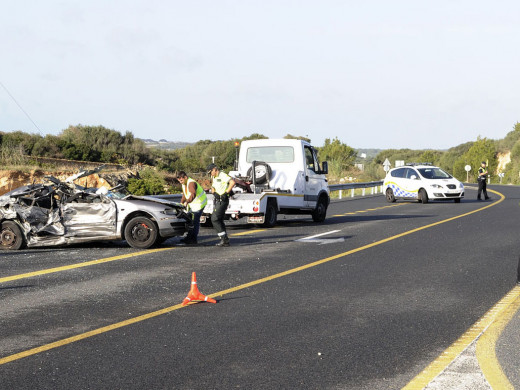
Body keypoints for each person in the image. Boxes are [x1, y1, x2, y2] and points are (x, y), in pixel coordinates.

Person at [207, 163, 235, 247]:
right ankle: (224, 239)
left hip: (223, 200)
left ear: (215, 169)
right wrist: (214, 192)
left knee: (215, 219)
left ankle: (224, 239)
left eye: (210, 171)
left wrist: (226, 193)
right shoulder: (214, 177)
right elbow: (213, 186)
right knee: (219, 219)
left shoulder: (222, 175)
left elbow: (232, 182)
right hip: (217, 200)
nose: (210, 174)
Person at [177, 171, 207, 245]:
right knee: (190, 221)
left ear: (185, 177)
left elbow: (193, 193)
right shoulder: (184, 183)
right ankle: (189, 238)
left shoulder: (191, 183)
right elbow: (185, 194)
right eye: (179, 180)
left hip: (199, 204)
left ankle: (193, 239)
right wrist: (182, 202)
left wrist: (187, 202)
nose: (180, 182)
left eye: (181, 180)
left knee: (195, 222)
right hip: (194, 205)